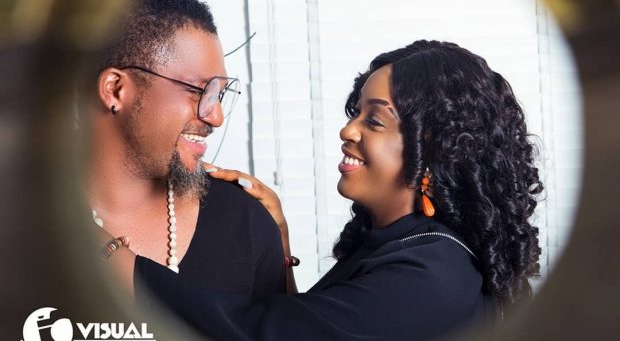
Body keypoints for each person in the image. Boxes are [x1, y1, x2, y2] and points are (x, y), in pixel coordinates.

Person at [104, 40, 543, 341]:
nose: (347, 130)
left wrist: (108, 256)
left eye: (374, 120)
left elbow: (256, 333)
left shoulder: (431, 277)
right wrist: (281, 243)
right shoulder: (396, 244)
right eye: (356, 113)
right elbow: (314, 325)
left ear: (435, 149)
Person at [82, 0, 286, 299]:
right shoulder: (22, 218)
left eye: (219, 95)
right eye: (198, 91)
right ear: (115, 90)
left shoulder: (245, 221)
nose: (216, 117)